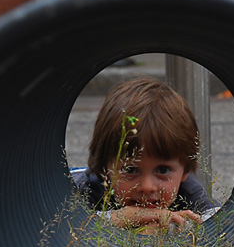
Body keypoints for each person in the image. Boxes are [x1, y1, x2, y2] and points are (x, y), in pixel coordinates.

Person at [71, 76, 218, 232]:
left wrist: (180, 226)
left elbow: (223, 222)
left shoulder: (188, 190)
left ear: (185, 171)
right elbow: (65, 225)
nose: (147, 187)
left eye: (162, 170)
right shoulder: (88, 188)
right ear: (103, 169)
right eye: (130, 170)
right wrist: (124, 217)